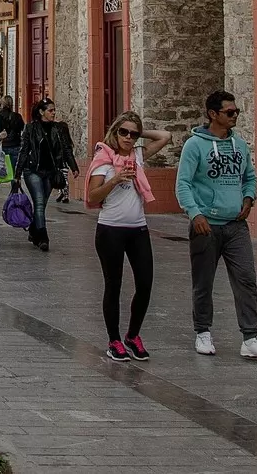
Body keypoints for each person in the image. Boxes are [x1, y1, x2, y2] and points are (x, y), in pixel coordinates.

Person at [177, 90, 257, 360]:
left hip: (236, 226)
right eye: (229, 112)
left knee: (246, 279)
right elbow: (183, 183)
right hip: (206, 225)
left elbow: (250, 176)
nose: (235, 116)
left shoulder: (240, 145)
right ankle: (203, 332)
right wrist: (194, 214)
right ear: (213, 114)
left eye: (236, 112)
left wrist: (249, 197)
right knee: (203, 282)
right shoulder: (194, 146)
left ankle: (251, 337)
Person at [88, 111, 173, 362]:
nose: (128, 137)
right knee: (113, 285)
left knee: (145, 284)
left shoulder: (137, 155)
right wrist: (115, 179)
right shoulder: (103, 158)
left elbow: (165, 136)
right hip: (110, 230)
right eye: (123, 132)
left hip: (138, 228)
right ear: (114, 131)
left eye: (132, 134)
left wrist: (139, 132)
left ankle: (132, 335)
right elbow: (93, 197)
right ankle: (114, 340)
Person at [18, 96, 78, 251]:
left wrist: (73, 166)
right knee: (38, 202)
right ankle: (43, 237)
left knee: (42, 204)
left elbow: (66, 149)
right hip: (33, 171)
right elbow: (24, 150)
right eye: (50, 110)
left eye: (54, 110)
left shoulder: (58, 129)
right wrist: (17, 173)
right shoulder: (30, 128)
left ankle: (33, 230)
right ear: (41, 112)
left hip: (50, 172)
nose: (53, 113)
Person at [0, 96, 24, 181]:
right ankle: (14, 192)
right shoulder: (17, 116)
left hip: (3, 146)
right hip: (15, 145)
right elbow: (23, 129)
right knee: (14, 172)